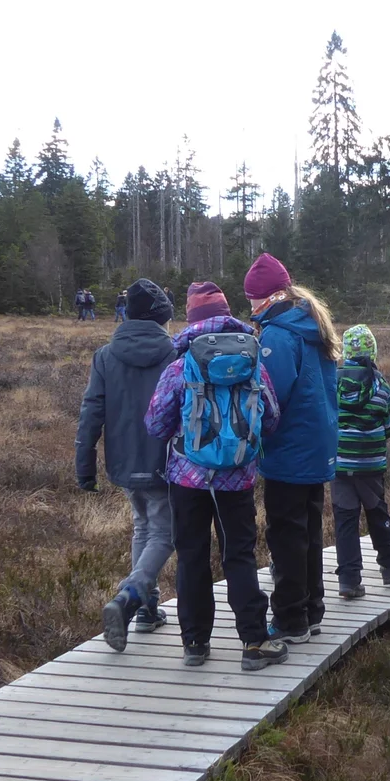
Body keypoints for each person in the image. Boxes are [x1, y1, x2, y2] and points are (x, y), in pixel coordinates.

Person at [143, 281, 286, 671]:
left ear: (192, 319)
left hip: (187, 479)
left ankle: (195, 643)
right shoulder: (253, 360)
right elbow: (271, 418)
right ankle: (254, 642)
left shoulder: (180, 364)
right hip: (236, 479)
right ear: (227, 314)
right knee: (238, 555)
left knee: (192, 556)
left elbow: (156, 424)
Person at [243, 253, 340, 643]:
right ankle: (311, 610)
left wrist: (251, 437)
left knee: (286, 535)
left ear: (274, 295)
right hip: (317, 446)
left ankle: (289, 620)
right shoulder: (312, 325)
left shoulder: (279, 335)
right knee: (309, 531)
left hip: (289, 451)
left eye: (253, 300)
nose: (251, 308)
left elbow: (270, 396)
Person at [76, 278, 178, 651]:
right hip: (164, 460)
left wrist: (84, 465)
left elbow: (91, 412)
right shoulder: (175, 354)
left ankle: (148, 611)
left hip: (123, 460)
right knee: (164, 533)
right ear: (163, 317)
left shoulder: (105, 356)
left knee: (142, 526)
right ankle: (129, 596)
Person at [332, 324, 390, 598]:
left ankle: (349, 579)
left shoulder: (332, 381)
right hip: (371, 465)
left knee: (345, 519)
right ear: (372, 351)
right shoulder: (381, 385)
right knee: (377, 513)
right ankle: (389, 566)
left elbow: (326, 417)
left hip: (339, 464)